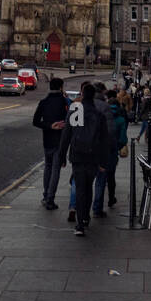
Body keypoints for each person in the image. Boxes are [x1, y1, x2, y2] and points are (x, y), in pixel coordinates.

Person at [58, 82, 107, 237]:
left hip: (77, 155)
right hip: (93, 156)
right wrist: (103, 161)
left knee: (80, 189)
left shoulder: (75, 111)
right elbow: (104, 139)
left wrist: (62, 157)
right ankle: (85, 217)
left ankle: (80, 225)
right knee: (88, 187)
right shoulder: (99, 115)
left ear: (83, 94)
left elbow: (66, 135)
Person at [32, 78, 68, 210]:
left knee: (48, 167)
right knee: (55, 170)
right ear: (60, 87)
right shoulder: (64, 102)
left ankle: (45, 195)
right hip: (60, 140)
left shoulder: (44, 102)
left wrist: (49, 126)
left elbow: (35, 121)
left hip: (47, 139)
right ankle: (50, 199)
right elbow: (70, 121)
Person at [90, 83, 119, 217]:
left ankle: (78, 209)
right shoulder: (105, 107)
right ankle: (97, 209)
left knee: (83, 182)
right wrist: (112, 150)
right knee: (100, 181)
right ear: (102, 93)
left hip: (84, 149)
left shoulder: (80, 105)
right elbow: (110, 131)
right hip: (101, 150)